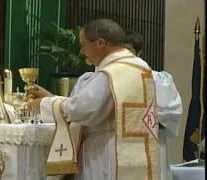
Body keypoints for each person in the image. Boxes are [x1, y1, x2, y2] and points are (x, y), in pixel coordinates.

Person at [28, 18, 160, 180]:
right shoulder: (141, 67)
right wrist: (54, 98)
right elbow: (103, 104)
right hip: (135, 151)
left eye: (83, 45)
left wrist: (45, 104)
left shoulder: (112, 73)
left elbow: (83, 110)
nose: (82, 52)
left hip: (106, 154)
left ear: (100, 43)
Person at [124, 31, 183, 180]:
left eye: (128, 50)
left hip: (151, 142)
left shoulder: (158, 79)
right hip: (122, 147)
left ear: (139, 52)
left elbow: (170, 112)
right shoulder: (109, 79)